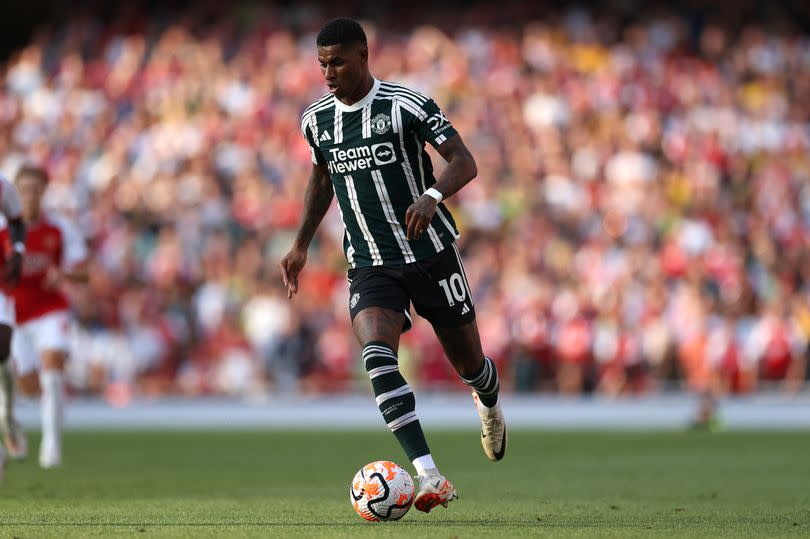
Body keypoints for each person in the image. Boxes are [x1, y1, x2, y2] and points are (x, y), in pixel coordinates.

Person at [280, 17, 506, 513]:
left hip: (430, 254)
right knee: (377, 358)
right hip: (370, 262)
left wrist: (431, 195)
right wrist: (300, 244)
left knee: (469, 365)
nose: (328, 72)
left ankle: (487, 398)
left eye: (337, 61)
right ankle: (429, 474)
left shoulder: (407, 104)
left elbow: (464, 160)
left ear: (363, 55)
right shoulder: (316, 120)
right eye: (321, 63)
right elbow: (322, 179)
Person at [0, 165, 88, 468]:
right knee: (27, 386)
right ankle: (32, 413)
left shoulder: (60, 229)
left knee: (52, 368)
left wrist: (63, 273)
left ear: (44, 192)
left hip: (50, 309)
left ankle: (51, 449)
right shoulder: (4, 230)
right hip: (15, 314)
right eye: (24, 190)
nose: (29, 196)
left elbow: (84, 272)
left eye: (35, 189)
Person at [0, 175, 26, 479]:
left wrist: (18, 251)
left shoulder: (4, 187)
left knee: (2, 346)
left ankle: (7, 417)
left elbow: (17, 221)